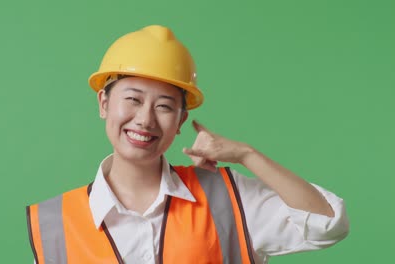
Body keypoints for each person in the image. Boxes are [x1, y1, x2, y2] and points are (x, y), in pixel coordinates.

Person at [26, 25, 349, 264]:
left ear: (181, 121)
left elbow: (327, 223)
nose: (145, 120)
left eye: (164, 106)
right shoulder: (55, 221)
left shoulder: (226, 198)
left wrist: (245, 154)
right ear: (104, 104)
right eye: (133, 100)